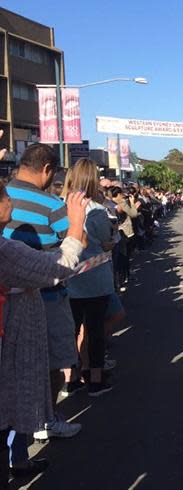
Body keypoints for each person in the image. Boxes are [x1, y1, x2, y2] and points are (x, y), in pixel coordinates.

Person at [0, 186, 90, 485]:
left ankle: (19, 460)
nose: (10, 200)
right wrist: (76, 224)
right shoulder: (6, 251)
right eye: (4, 196)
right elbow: (59, 266)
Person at [63, 159, 115, 397]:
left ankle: (71, 378)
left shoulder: (61, 205)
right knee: (95, 330)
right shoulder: (96, 209)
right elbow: (105, 240)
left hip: (68, 276)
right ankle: (95, 378)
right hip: (95, 277)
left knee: (70, 330)